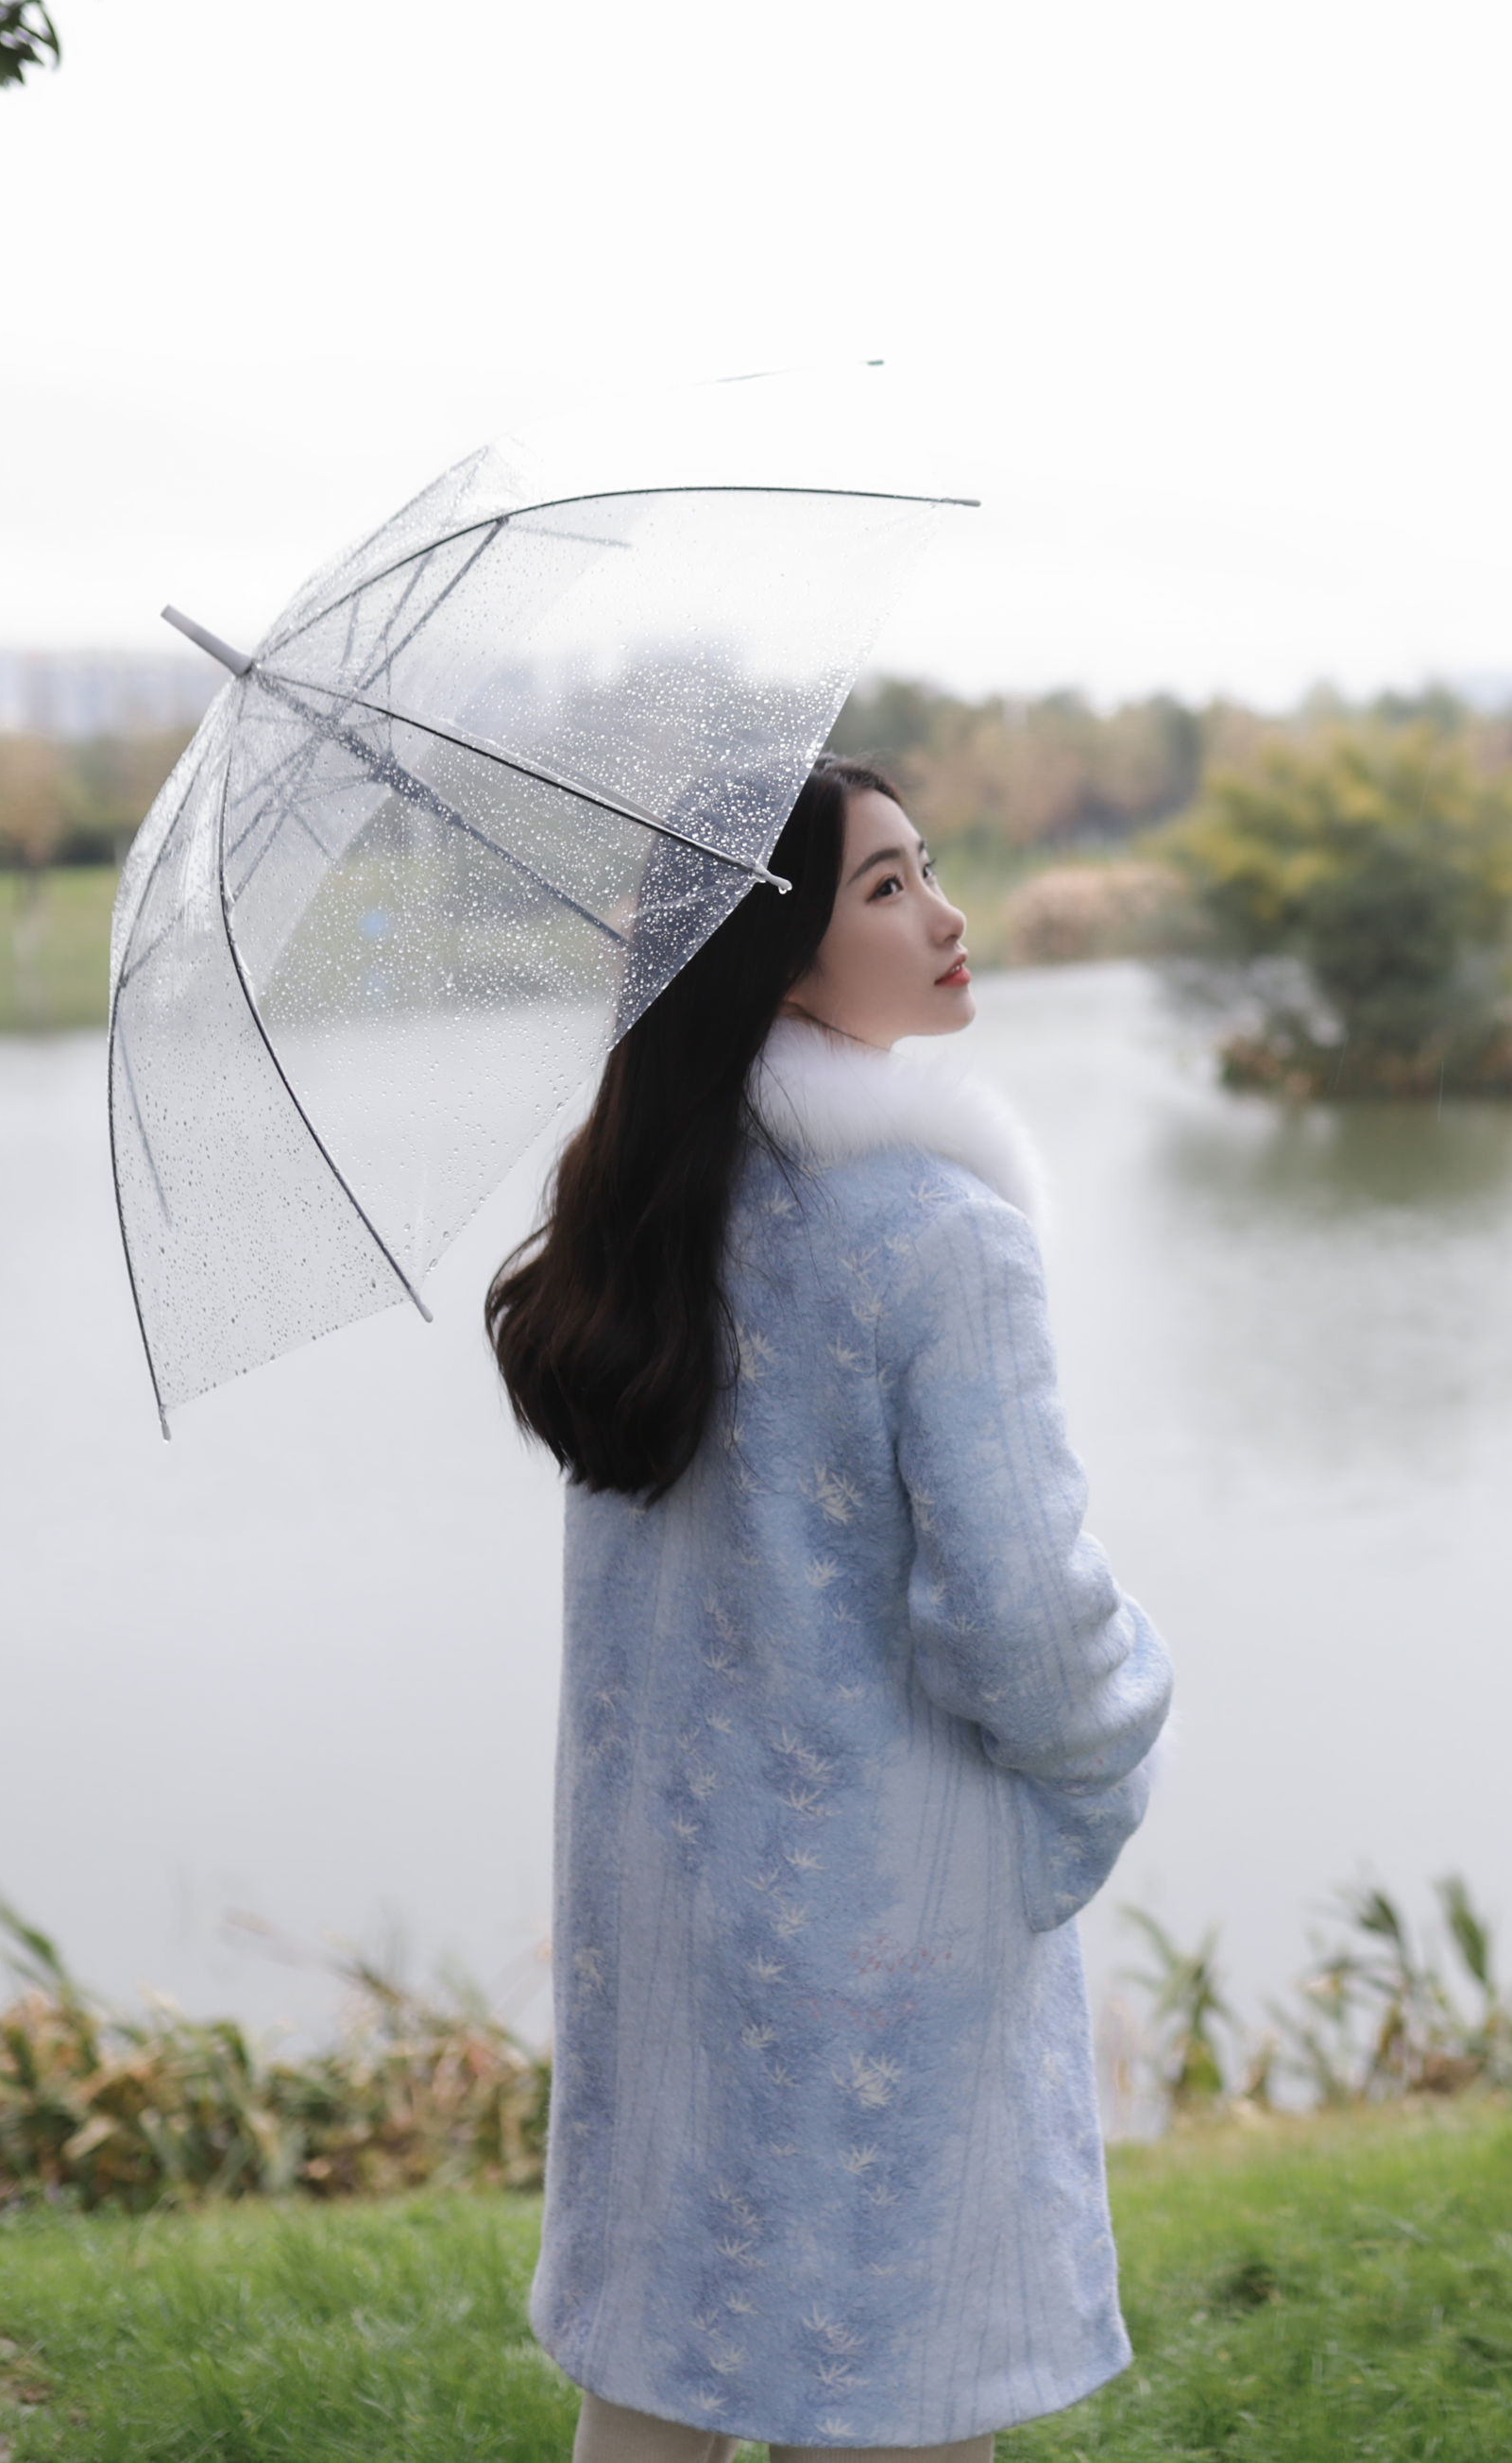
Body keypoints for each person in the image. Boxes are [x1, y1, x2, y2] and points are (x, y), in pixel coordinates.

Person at [487, 757, 1173, 2463]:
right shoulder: (940, 1239)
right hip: (886, 1920)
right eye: (883, 888)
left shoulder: (638, 1218)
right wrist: (1103, 1772)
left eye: (928, 870)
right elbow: (1024, 1621)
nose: (946, 916)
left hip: (666, 1906)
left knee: (657, 2372)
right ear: (771, 958)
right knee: (896, 2390)